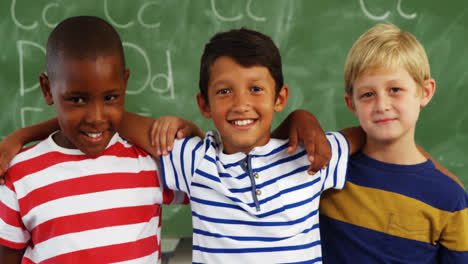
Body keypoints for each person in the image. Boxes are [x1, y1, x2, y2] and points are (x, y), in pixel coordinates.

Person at [151, 28, 364, 263]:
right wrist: (182, 125)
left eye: (255, 89)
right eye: (224, 91)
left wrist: (302, 117)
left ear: (280, 99)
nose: (241, 104)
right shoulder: (198, 161)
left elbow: (365, 134)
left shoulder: (312, 153)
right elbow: (118, 120)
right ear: (205, 104)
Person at [0, 16, 190, 264]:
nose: (96, 118)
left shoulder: (149, 163)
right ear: (47, 89)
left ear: (125, 83)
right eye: (77, 99)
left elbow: (211, 183)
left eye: (110, 97)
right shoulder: (21, 175)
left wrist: (191, 129)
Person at [319, 23, 468, 263]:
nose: (382, 105)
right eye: (368, 94)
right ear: (351, 104)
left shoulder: (450, 198)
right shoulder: (328, 173)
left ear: (425, 92)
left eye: (395, 89)